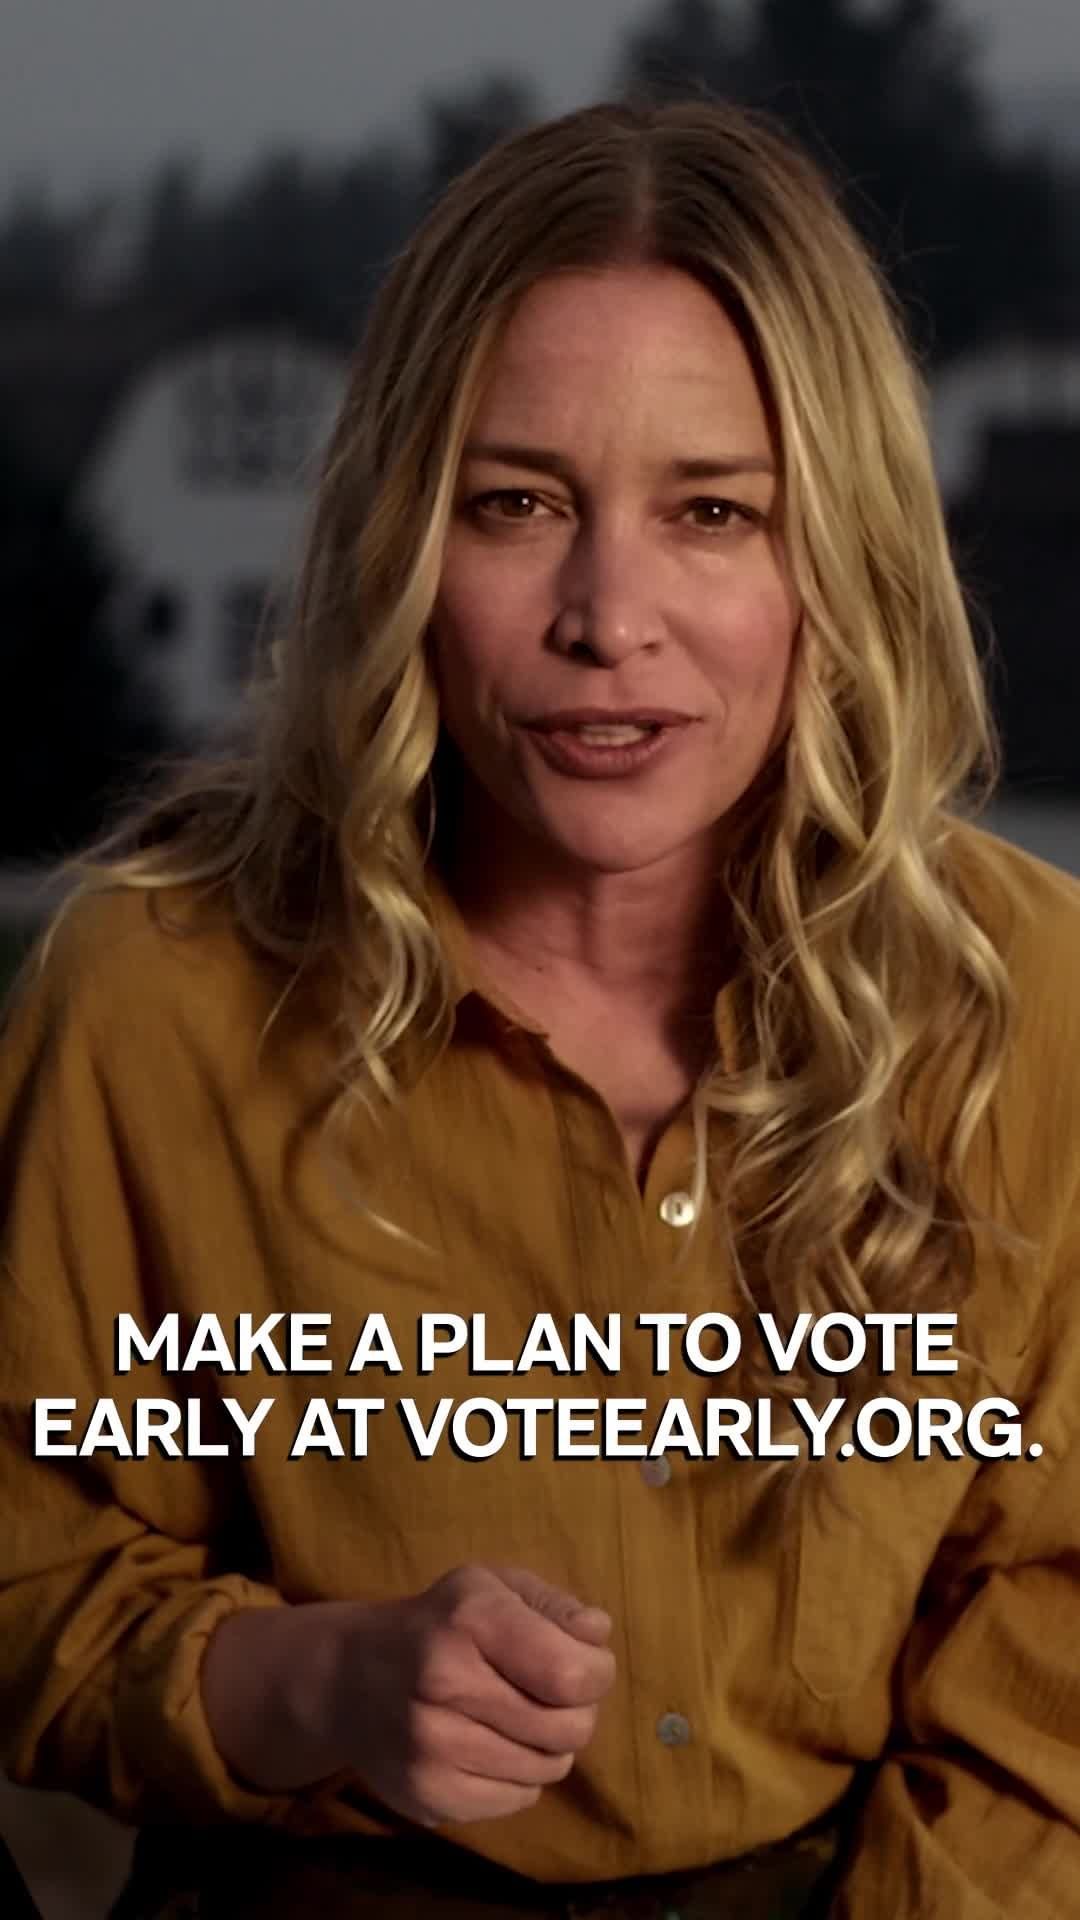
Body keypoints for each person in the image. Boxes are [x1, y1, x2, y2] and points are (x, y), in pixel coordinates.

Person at [2, 97, 1079, 1920]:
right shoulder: (148, 996)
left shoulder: (1032, 1008)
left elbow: (1052, 1651)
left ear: (840, 554)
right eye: (515, 504)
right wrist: (313, 1682)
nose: (607, 616)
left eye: (713, 512)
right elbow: (29, 1573)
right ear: (403, 540)